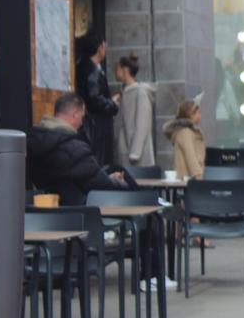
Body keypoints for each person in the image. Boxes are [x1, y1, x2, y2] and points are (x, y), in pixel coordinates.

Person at [27, 93, 130, 205]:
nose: (81, 123)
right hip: (80, 212)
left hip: (45, 211)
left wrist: (106, 177)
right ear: (75, 115)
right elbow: (102, 185)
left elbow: (86, 176)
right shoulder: (74, 149)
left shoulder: (32, 143)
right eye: (82, 117)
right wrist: (123, 183)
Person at [76, 32, 119, 167]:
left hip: (94, 125)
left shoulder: (88, 67)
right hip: (96, 127)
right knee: (99, 164)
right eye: (104, 44)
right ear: (100, 47)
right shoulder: (91, 70)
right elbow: (94, 100)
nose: (106, 46)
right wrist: (113, 104)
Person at [113, 53, 156, 168]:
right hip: (125, 152)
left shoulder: (140, 92)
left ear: (125, 70)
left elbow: (142, 123)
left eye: (118, 68)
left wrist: (135, 153)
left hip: (137, 157)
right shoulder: (125, 92)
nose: (115, 72)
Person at [164, 99, 206, 180]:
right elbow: (190, 155)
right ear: (191, 114)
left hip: (191, 179)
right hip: (187, 180)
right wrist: (198, 175)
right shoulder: (185, 133)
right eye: (198, 113)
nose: (200, 115)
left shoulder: (191, 132)